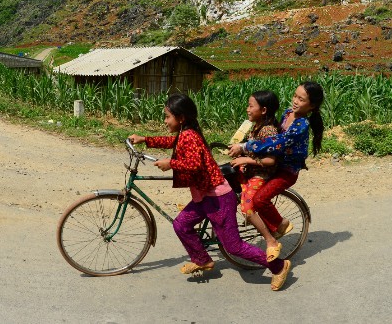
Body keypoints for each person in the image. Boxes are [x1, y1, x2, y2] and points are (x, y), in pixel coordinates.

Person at [128, 93, 291, 291]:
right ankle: (202, 259)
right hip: (204, 196)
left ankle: (279, 266)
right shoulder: (184, 132)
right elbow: (171, 142)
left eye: (167, 116)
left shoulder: (190, 135)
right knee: (181, 225)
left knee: (234, 247)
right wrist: (145, 139)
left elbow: (194, 164)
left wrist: (170, 163)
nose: (165, 121)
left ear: (181, 118)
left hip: (218, 198)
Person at [229, 81, 324, 241]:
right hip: (275, 164)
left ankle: (281, 224)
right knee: (244, 186)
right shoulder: (287, 113)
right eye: (295, 96)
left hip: (286, 171)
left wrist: (246, 147)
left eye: (301, 99)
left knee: (260, 199)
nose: (295, 101)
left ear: (311, 106)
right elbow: (273, 134)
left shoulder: (301, 125)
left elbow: (277, 141)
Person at [228, 91, 283, 263]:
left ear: (264, 110)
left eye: (251, 106)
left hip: (260, 175)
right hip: (250, 171)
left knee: (248, 209)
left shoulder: (268, 131)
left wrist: (246, 159)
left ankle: (270, 240)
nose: (247, 109)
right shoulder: (257, 125)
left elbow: (270, 160)